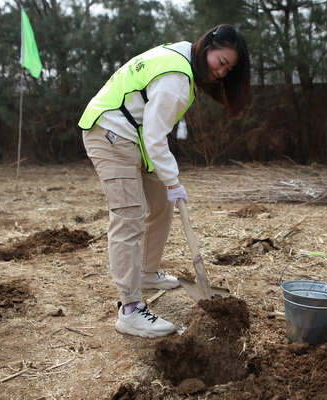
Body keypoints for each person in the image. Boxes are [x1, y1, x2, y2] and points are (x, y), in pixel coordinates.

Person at [78, 25, 251, 337]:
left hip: (135, 136)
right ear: (208, 45)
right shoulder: (176, 78)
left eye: (228, 68)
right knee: (128, 216)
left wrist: (168, 185)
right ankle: (130, 309)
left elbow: (152, 132)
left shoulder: (184, 56)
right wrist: (173, 181)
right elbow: (157, 135)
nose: (221, 72)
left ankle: (146, 272)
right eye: (221, 61)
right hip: (110, 133)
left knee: (160, 204)